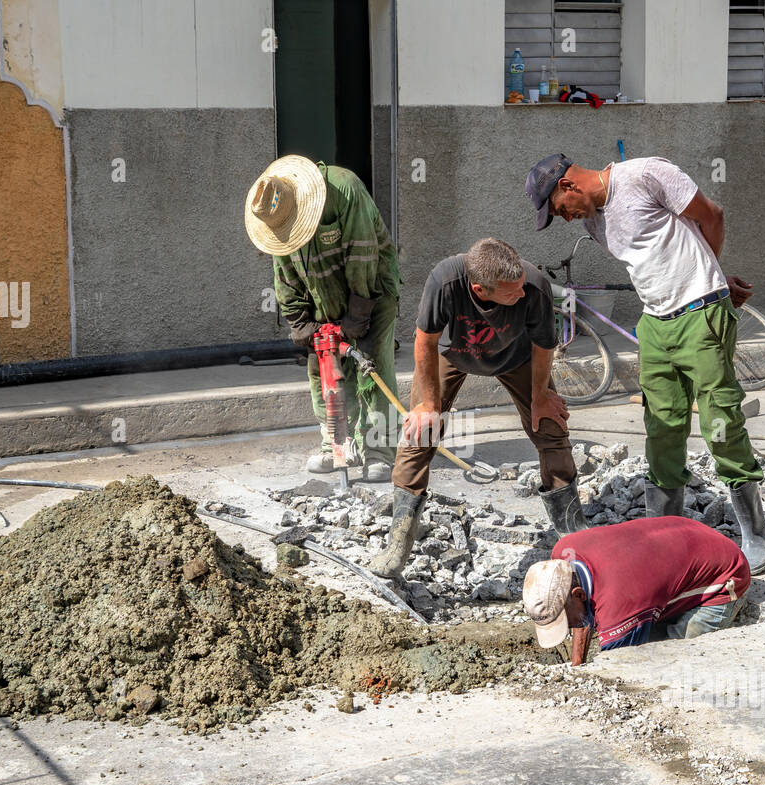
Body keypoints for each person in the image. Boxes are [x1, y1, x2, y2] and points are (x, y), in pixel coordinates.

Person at [525, 152, 765, 573]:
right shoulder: (594, 223)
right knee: (661, 425)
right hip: (655, 324)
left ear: (567, 185)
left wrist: (711, 278)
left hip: (700, 314)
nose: (566, 220)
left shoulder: (644, 175)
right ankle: (667, 535)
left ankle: (754, 534)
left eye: (559, 210)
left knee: (721, 419)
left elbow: (711, 216)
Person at [369, 237, 586, 580]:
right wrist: (428, 404)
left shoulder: (535, 287)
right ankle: (398, 543)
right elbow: (424, 341)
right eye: (510, 292)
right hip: (454, 353)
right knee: (419, 433)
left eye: (520, 288)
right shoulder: (446, 281)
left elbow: (545, 345)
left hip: (518, 357)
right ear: (480, 289)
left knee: (550, 427)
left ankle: (575, 536)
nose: (520, 294)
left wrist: (541, 395)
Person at [245, 155, 400, 481]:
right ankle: (336, 446)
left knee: (371, 367)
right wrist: (298, 319)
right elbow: (283, 273)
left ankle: (379, 451)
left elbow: (363, 254)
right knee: (323, 371)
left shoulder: (344, 190)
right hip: (321, 294)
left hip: (371, 289)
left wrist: (358, 314)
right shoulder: (277, 216)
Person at [522, 517, 752, 666]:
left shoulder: (618, 605)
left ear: (579, 594)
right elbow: (582, 615)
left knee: (667, 655)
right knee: (644, 617)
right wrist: (577, 667)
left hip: (726, 575)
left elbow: (620, 665)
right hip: (688, 533)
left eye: (565, 621)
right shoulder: (564, 551)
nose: (570, 627)